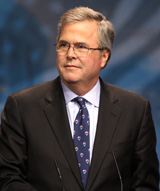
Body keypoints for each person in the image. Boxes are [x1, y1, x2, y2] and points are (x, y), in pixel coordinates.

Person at [0, 6, 159, 191]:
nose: (70, 54)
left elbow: (145, 184)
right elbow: (7, 178)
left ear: (104, 56)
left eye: (81, 47)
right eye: (63, 45)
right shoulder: (22, 107)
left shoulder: (135, 110)